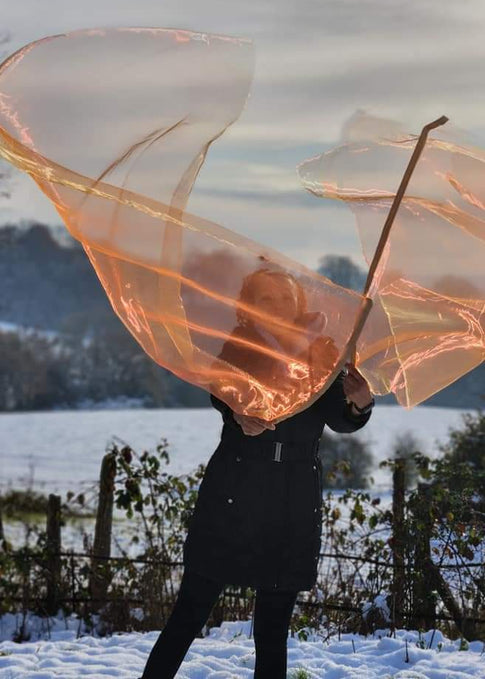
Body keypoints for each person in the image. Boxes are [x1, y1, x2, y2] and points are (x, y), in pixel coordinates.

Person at [139, 266, 374, 679]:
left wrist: (359, 404)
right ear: (250, 308)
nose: (279, 306)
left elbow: (339, 417)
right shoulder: (241, 345)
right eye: (266, 299)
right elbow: (222, 390)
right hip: (238, 484)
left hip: (293, 492)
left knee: (273, 625)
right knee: (192, 609)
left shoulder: (321, 351)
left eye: (285, 298)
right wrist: (236, 413)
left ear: (299, 303)